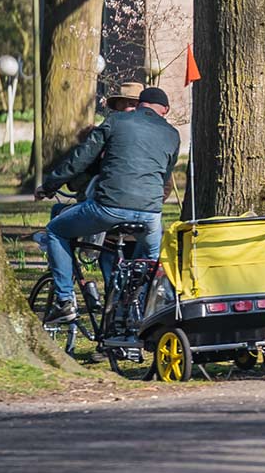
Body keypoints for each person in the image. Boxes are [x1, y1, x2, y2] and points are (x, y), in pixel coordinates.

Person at [35, 84, 181, 323]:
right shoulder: (172, 134)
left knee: (55, 230)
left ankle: (64, 301)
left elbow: (79, 159)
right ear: (164, 109)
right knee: (151, 264)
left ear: (140, 103)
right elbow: (163, 178)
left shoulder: (116, 123)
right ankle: (143, 315)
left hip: (109, 208)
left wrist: (49, 186)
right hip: (150, 216)